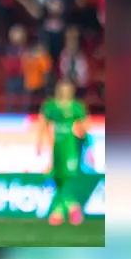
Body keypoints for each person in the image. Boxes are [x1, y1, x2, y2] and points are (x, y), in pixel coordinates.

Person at [37, 79, 88, 226]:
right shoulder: (50, 106)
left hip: (71, 147)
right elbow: (43, 124)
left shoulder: (77, 107)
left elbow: (85, 126)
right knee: (58, 177)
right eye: (62, 88)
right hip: (57, 146)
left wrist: (86, 144)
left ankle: (57, 211)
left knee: (67, 177)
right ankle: (73, 207)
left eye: (67, 88)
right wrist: (40, 142)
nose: (65, 91)